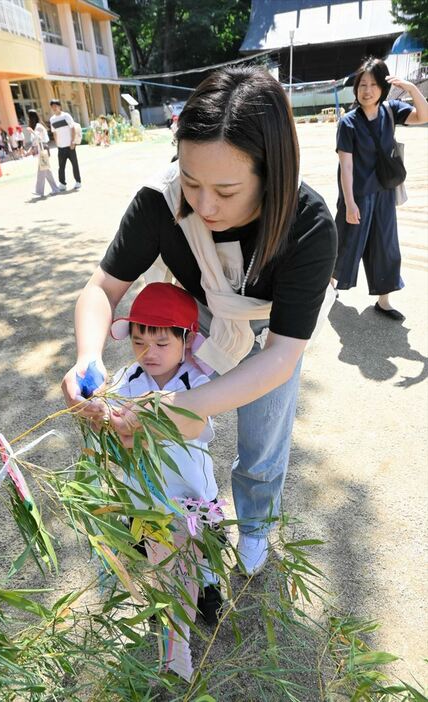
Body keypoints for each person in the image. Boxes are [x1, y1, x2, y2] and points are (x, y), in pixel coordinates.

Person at [62, 66, 337, 576]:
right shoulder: (159, 201)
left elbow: (281, 353)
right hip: (195, 317)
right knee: (170, 433)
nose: (204, 205)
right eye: (191, 182)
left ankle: (254, 526)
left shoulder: (308, 226)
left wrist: (184, 406)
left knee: (263, 439)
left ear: (271, 172)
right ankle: (179, 525)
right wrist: (88, 358)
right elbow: (102, 288)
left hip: (268, 331)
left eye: (227, 191)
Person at [104, 281, 222, 622]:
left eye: (160, 343)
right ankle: (166, 594)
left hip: (191, 493)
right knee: (156, 549)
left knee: (201, 549)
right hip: (145, 496)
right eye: (138, 342)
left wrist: (152, 413)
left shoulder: (197, 383)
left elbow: (199, 427)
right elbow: (109, 415)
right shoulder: (126, 378)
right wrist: (102, 413)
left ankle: (208, 588)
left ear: (187, 342)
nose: (148, 352)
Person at [332, 57, 428, 320]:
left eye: (373, 84)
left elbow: (424, 115)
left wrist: (411, 88)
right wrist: (350, 203)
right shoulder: (348, 122)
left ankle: (383, 301)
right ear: (356, 88)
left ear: (382, 88)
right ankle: (328, 288)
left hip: (384, 192)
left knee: (386, 245)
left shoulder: (391, 110)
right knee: (347, 242)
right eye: (362, 84)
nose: (367, 90)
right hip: (358, 195)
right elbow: (347, 167)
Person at [49, 99, 81, 191]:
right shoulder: (52, 119)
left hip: (70, 145)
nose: (54, 108)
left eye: (56, 106)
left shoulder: (66, 116)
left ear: (60, 106)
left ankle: (78, 181)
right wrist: (57, 143)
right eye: (52, 106)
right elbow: (54, 132)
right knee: (61, 166)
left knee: (74, 164)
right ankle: (62, 184)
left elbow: (73, 129)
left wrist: (73, 142)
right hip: (61, 147)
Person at [27, 109, 59, 198]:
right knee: (46, 171)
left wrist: (31, 131)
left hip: (42, 150)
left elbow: (38, 138)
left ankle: (39, 191)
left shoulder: (38, 126)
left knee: (41, 171)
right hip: (42, 150)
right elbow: (36, 140)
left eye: (29, 117)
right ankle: (55, 188)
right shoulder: (38, 125)